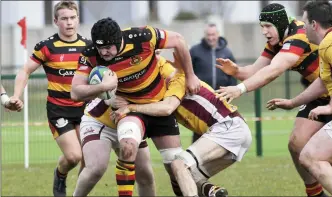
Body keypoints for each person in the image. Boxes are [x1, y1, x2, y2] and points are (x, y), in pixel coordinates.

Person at [71, 17, 201, 197]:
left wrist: (191, 75)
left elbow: (178, 40)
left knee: (150, 173)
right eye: (100, 47)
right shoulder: (90, 54)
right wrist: (104, 87)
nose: (104, 52)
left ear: (118, 40)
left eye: (108, 47)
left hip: (135, 113)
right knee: (96, 168)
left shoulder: (143, 37)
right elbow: (75, 92)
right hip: (104, 118)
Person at [215, 3, 332, 197]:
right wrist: (236, 71)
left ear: (279, 23)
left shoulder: (299, 35)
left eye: (267, 26)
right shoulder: (277, 40)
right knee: (296, 144)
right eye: (262, 26)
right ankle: (315, 193)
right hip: (318, 94)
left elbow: (274, 70)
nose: (264, 31)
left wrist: (239, 89)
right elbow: (255, 71)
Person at [112, 51, 252, 197]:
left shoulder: (177, 80)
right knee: (186, 176)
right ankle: (212, 192)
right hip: (235, 130)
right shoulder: (162, 88)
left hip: (228, 127)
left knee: (178, 164)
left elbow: (167, 108)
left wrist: (130, 107)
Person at [7, 1, 92, 196]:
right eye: (64, 18)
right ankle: (60, 174)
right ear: (56, 21)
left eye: (72, 18)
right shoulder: (47, 47)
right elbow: (25, 70)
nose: (69, 23)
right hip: (59, 109)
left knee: (89, 158)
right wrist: (16, 96)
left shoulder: (88, 46)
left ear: (78, 19)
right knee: (73, 156)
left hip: (86, 109)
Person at [266, 1, 332, 196]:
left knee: (310, 156)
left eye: (304, 22)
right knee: (315, 156)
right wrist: (292, 103)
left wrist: (331, 107)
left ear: (314, 24)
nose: (301, 26)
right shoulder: (330, 42)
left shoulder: (331, 42)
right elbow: (323, 82)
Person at [190, 23, 237, 143]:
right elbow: (188, 72)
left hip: (221, 97)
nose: (211, 37)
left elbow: (233, 73)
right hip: (201, 97)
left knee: (222, 128)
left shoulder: (227, 52)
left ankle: (219, 154)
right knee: (200, 127)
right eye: (208, 35)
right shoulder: (195, 51)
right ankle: (196, 156)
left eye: (213, 35)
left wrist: (232, 91)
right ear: (205, 35)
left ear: (218, 35)